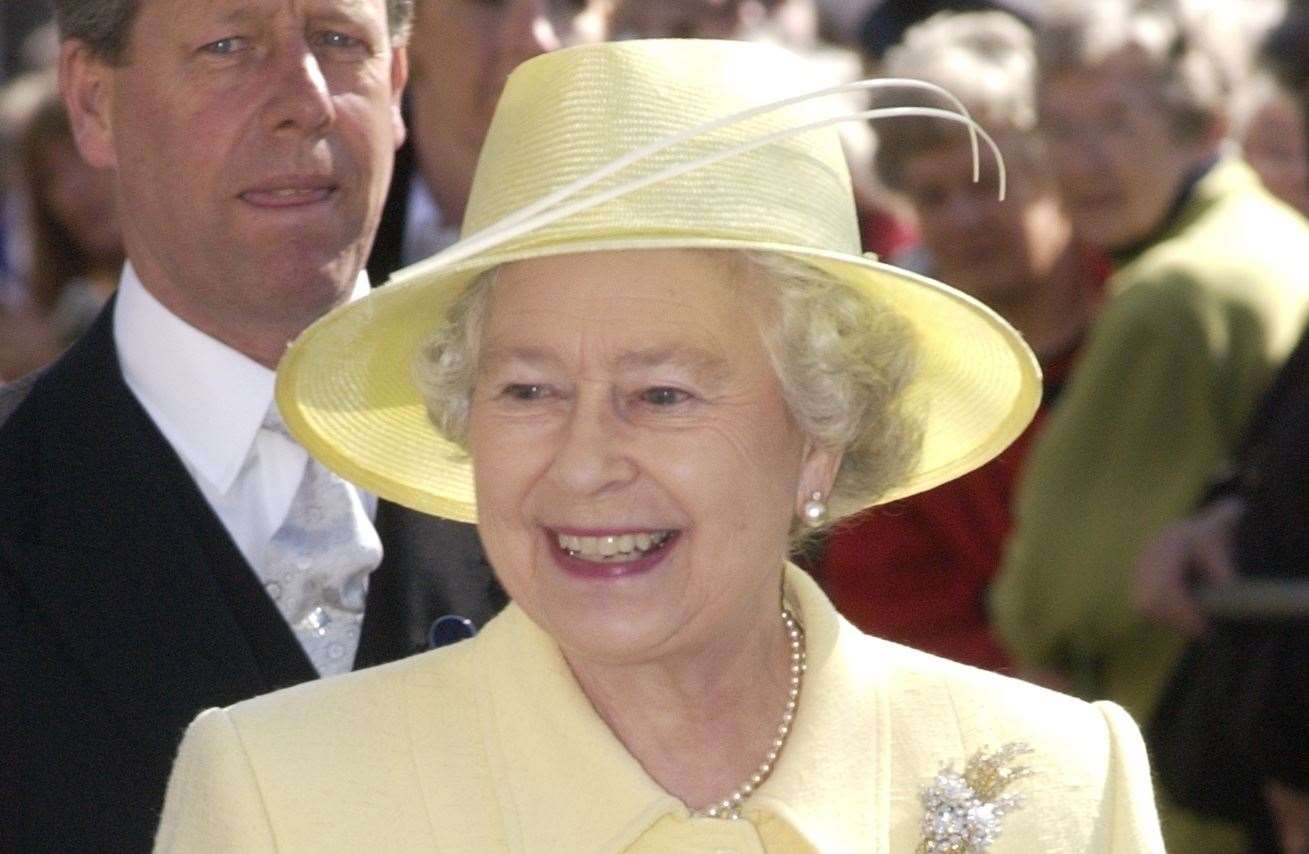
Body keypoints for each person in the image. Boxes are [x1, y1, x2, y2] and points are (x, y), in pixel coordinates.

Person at [156, 38, 1164, 852]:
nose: (584, 461)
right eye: (528, 389)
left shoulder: (1063, 783)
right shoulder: (280, 794)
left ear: (819, 433)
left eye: (662, 392)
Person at [0, 1, 502, 851]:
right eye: (228, 47)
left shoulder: (556, 477)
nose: (303, 97)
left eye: (340, 43)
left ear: (398, 84)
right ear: (92, 102)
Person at [989, 1, 1309, 849]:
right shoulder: (1278, 237)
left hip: (1177, 769)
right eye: (1059, 129)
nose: (1082, 163)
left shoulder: (1169, 298)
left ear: (1201, 124)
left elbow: (1055, 593)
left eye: (1117, 125)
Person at [817, 10, 1099, 672]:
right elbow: (889, 603)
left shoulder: (1141, 309)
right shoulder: (898, 375)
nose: (963, 218)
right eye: (932, 196)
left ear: (1050, 169)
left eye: (984, 181)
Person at [366, 0, 611, 282]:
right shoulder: (320, 209)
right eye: (489, 3)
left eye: (570, 3)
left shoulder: (648, 235)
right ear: (407, 27)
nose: (537, 40)